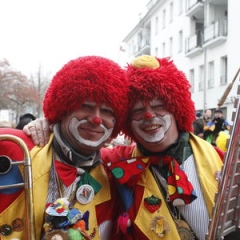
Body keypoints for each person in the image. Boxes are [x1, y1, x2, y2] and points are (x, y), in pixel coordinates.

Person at [24, 55, 226, 239]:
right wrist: (52, 121)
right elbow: (78, 150)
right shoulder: (119, 162)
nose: (149, 116)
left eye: (158, 106)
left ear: (176, 108)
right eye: (138, 110)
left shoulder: (220, 159)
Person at [0, 55, 129, 239]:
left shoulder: (112, 170)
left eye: (107, 111)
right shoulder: (14, 146)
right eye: (86, 106)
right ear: (64, 108)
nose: (96, 119)